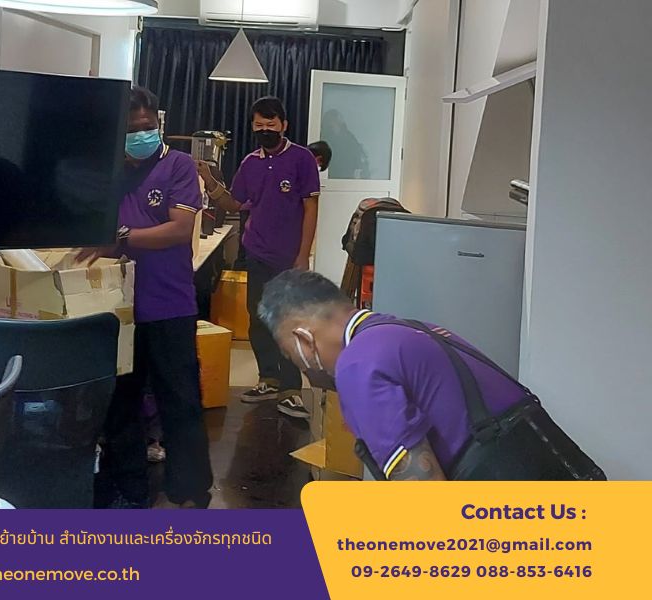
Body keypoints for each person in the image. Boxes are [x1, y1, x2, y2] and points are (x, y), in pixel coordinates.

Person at [256, 269, 531, 480]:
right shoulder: (406, 329)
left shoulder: (357, 366)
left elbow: (425, 496)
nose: (302, 368)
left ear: (303, 339)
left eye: (289, 354)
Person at [77, 87, 212, 508]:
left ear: (158, 123)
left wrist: (120, 237)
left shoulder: (178, 165)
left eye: (148, 126)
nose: (142, 134)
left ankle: (190, 488)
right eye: (133, 128)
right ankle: (129, 487)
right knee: (121, 403)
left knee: (180, 400)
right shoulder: (110, 173)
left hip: (169, 303)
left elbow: (178, 230)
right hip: (118, 308)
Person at [196, 96, 320, 420]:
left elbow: (310, 208)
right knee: (258, 318)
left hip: (289, 256)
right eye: (259, 125)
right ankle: (268, 380)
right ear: (252, 126)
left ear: (284, 125)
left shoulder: (302, 158)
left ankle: (292, 390)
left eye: (271, 124)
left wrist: (304, 254)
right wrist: (210, 182)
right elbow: (235, 204)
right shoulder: (250, 163)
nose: (265, 130)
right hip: (257, 252)